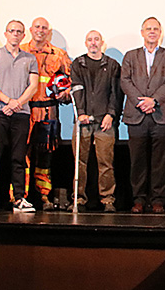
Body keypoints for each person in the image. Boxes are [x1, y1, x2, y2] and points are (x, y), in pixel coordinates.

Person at [120, 17, 165, 213]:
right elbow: (125, 81)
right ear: (142, 32)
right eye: (148, 29)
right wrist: (141, 101)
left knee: (160, 162)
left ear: (160, 32)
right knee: (137, 160)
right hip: (136, 116)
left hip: (160, 115)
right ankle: (138, 199)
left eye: (155, 29)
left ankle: (158, 200)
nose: (152, 32)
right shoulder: (130, 55)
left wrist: (153, 101)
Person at [0, 20, 39, 212]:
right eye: (12, 31)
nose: (15, 34)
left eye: (19, 32)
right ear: (6, 34)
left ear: (24, 36)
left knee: (18, 157)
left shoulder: (30, 58)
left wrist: (17, 103)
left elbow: (33, 86)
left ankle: (19, 197)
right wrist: (8, 101)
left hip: (21, 114)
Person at [21, 17, 72, 211]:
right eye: (37, 27)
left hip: (48, 111)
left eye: (44, 28)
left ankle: (44, 196)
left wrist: (66, 92)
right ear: (31, 30)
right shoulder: (21, 51)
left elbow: (70, 80)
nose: (40, 31)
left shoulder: (59, 55)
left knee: (45, 157)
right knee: (21, 155)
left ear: (48, 32)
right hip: (24, 110)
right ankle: (19, 196)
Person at [70, 30, 124, 212]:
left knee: (105, 163)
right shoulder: (78, 63)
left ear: (102, 42)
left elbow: (116, 93)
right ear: (86, 43)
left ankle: (107, 199)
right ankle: (78, 199)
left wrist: (111, 114)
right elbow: (76, 88)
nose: (93, 43)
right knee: (80, 162)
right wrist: (81, 113)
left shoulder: (113, 64)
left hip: (105, 122)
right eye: (89, 40)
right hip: (83, 121)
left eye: (96, 39)